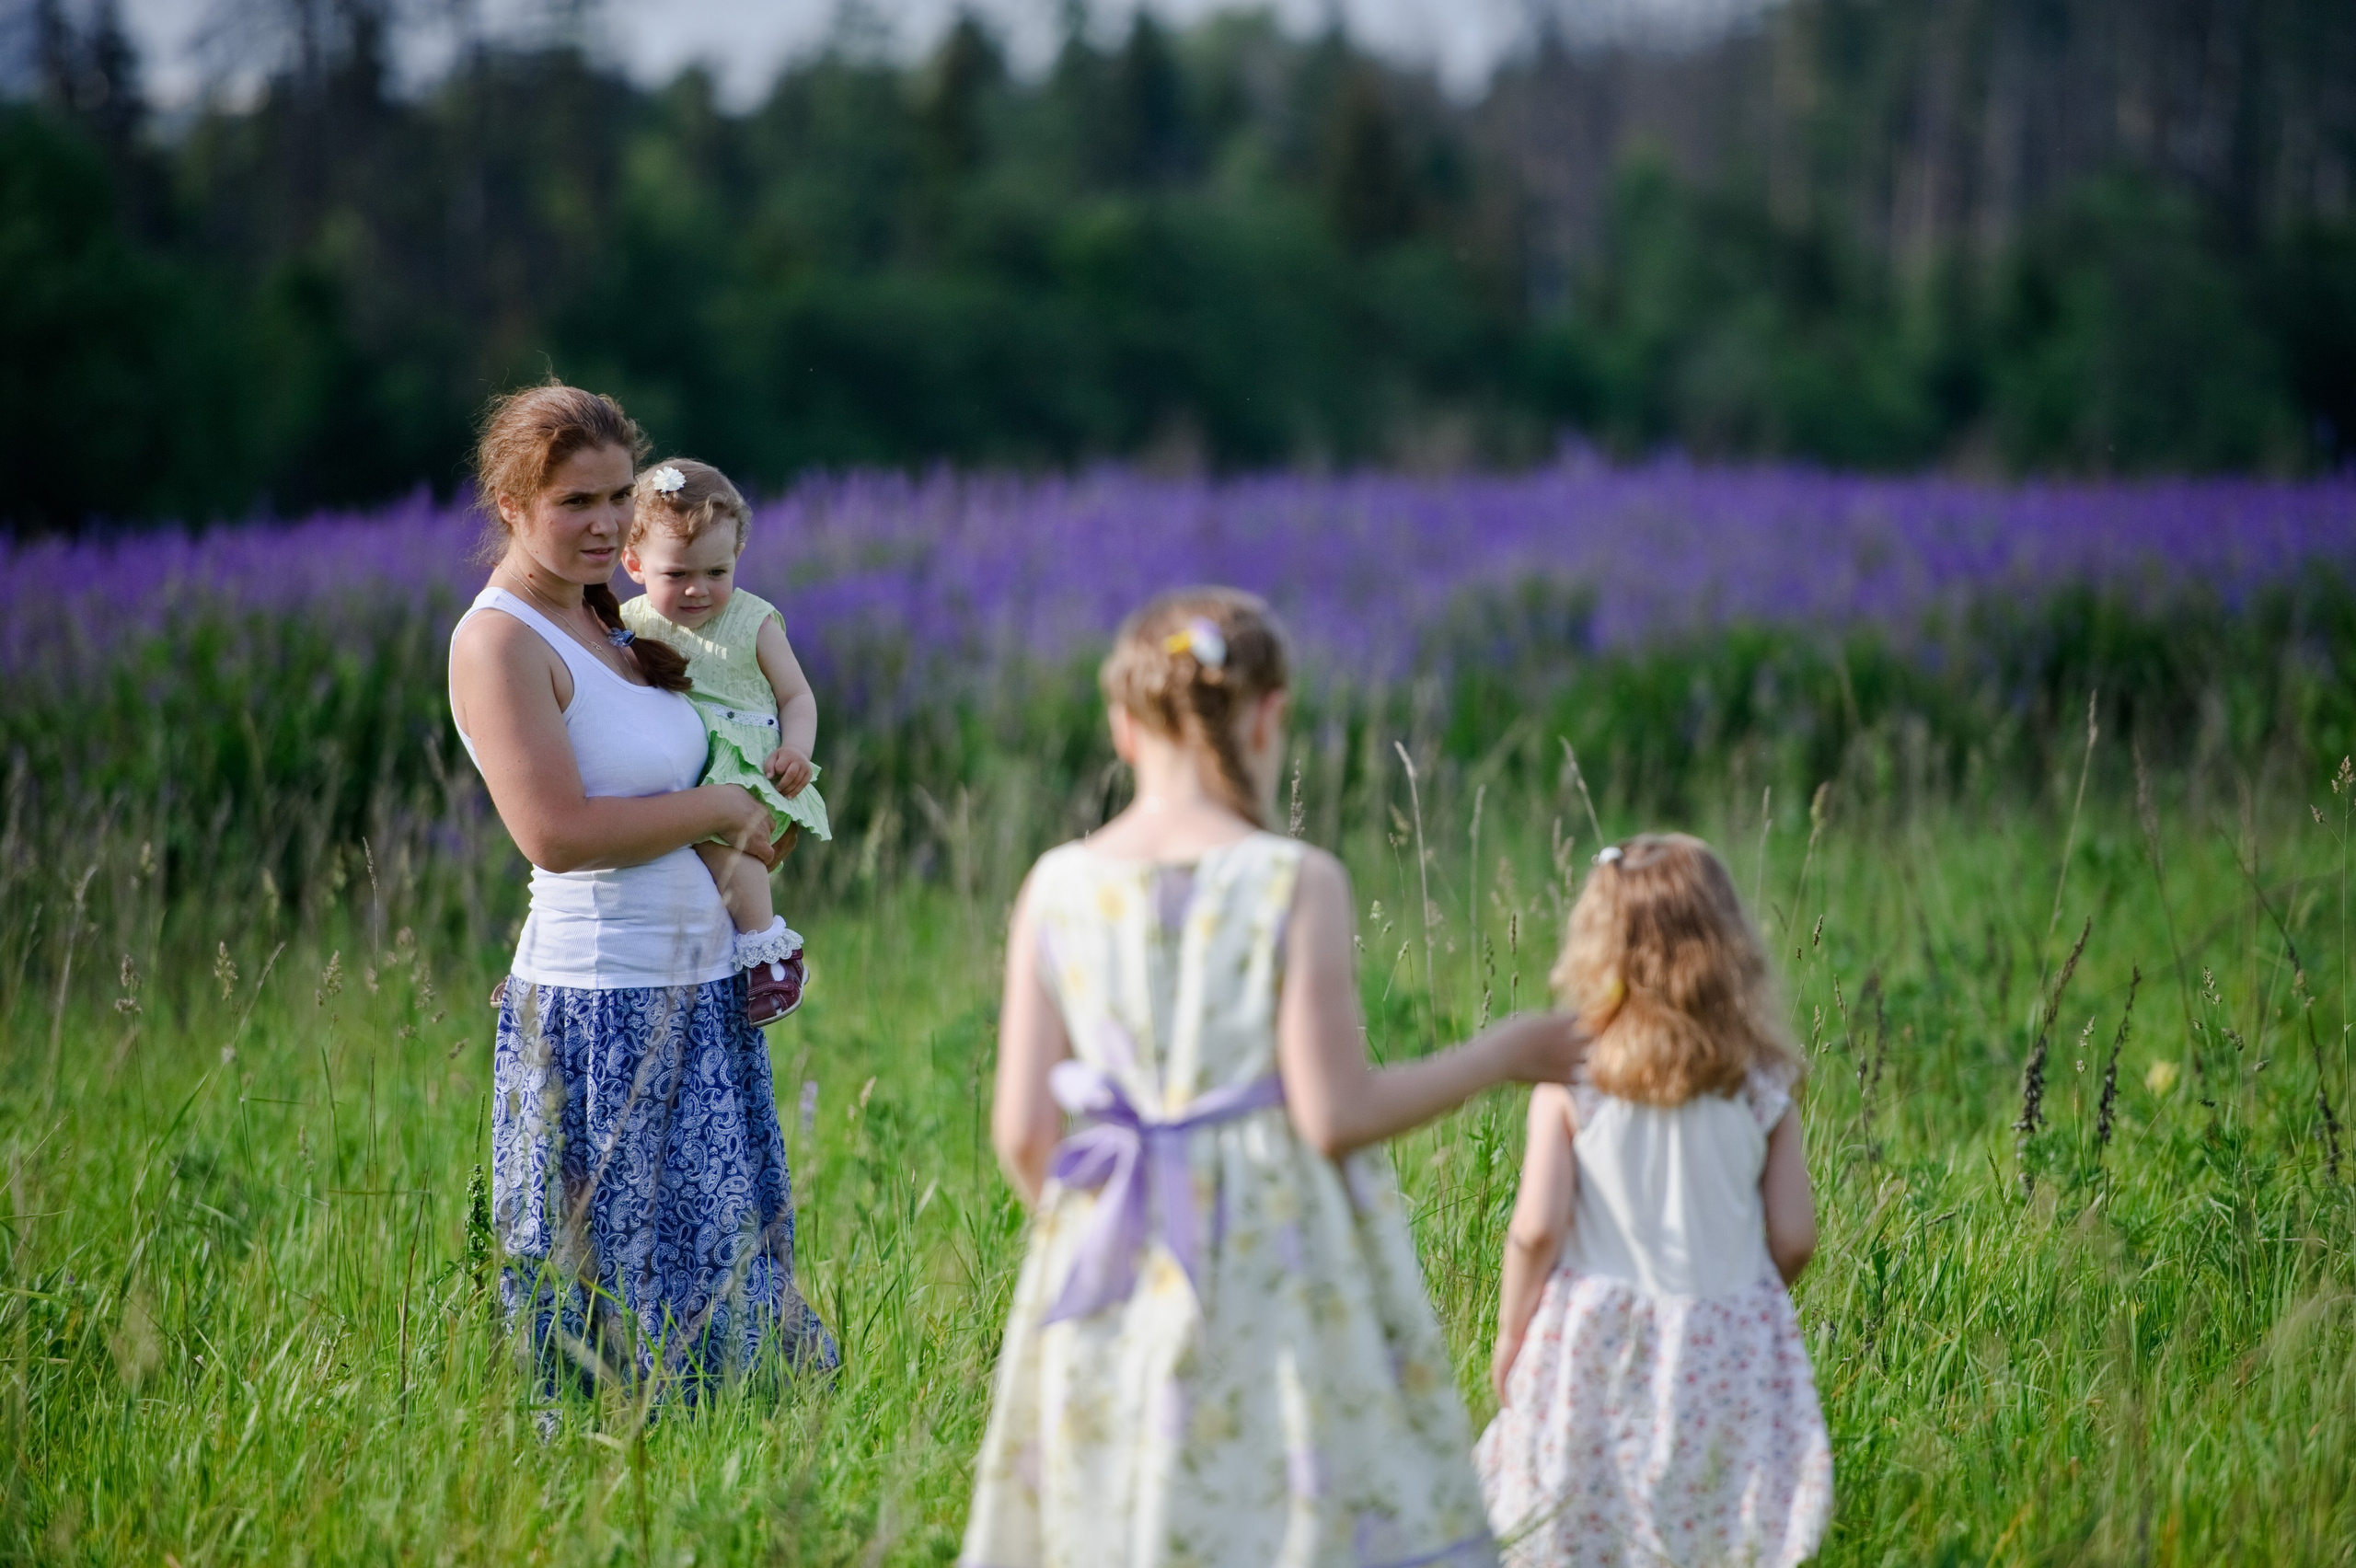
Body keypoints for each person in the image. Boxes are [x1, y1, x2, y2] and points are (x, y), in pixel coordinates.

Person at [963, 587, 1588, 1568]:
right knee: (1286, 1504)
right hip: (1278, 1257)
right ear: (1268, 715)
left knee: (1129, 1506)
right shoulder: (1291, 879)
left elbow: (1022, 1134)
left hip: (1113, 1248)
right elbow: (1335, 1114)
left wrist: (1114, 1241)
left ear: (1124, 728)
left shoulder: (1058, 884)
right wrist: (1497, 1056)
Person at [446, 381, 837, 1397]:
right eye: (575, 501)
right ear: (512, 508)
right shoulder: (498, 641)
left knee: (723, 1295)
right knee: (603, 1317)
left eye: (618, 495)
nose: (607, 521)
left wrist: (758, 833)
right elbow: (558, 834)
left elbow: (700, 778)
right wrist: (715, 811)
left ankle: (726, 1514)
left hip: (701, 991)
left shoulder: (617, 625)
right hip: (598, 1009)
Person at [1475, 834, 1831, 1568]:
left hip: (1594, 1336)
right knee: (1711, 1530)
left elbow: (1537, 1229)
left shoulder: (1572, 1077)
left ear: (1598, 946)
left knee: (1575, 1524)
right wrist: (1742, 1296)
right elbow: (1795, 1236)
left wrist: (1513, 1334)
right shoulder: (1760, 1080)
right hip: (1725, 1337)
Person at [618, 457, 830, 1027]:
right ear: (633, 563)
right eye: (677, 574)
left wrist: (798, 751)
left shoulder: (753, 621)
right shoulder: (626, 623)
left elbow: (797, 697)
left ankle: (771, 951)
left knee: (720, 843)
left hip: (747, 770)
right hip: (678, 775)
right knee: (610, 831)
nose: (698, 589)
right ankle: (546, 961)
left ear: (737, 556)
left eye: (717, 572)